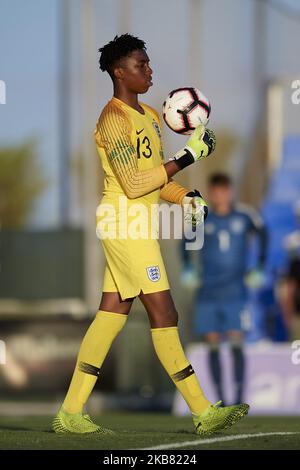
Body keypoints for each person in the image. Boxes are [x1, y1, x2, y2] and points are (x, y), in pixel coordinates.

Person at [52, 34, 248, 436]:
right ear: (118, 71)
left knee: (111, 314)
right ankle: (203, 411)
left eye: (149, 63)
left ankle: (70, 412)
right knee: (165, 312)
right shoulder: (112, 119)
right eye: (141, 65)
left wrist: (185, 197)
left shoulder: (150, 118)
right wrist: (187, 156)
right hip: (124, 224)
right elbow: (132, 182)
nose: (150, 71)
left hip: (136, 226)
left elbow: (155, 182)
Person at [181, 173, 267, 404]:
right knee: (213, 344)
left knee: (237, 342)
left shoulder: (244, 216)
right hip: (208, 292)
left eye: (224, 190)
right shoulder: (202, 218)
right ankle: (220, 399)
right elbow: (186, 240)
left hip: (235, 291)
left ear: (230, 191)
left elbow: (264, 234)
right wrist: (188, 268)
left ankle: (239, 397)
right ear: (211, 192)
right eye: (215, 191)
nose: (220, 195)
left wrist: (259, 266)